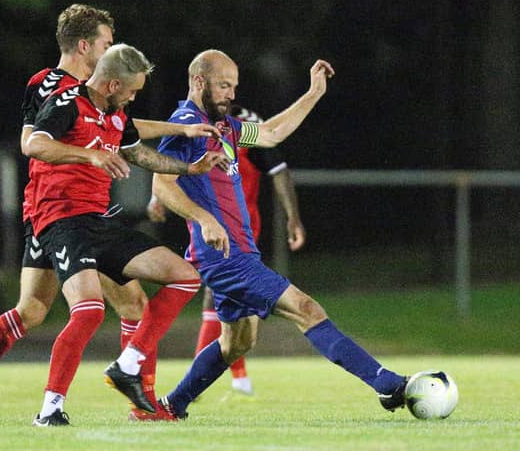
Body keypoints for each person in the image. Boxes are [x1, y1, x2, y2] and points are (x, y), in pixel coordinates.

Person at [0, 5, 221, 426]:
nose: (110, 48)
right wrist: (92, 156)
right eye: (106, 42)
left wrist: (181, 133)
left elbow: (121, 126)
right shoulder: (57, 89)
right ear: (86, 46)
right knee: (111, 306)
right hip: (60, 212)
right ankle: (126, 401)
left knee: (36, 310)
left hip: (75, 212)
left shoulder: (102, 97)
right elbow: (37, 140)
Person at [150, 49, 411, 420]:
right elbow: (162, 185)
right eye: (223, 85)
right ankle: (386, 382)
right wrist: (203, 219)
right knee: (306, 309)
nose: (231, 94)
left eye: (234, 86)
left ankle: (171, 406)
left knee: (236, 342)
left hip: (238, 252)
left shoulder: (224, 127)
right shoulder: (185, 123)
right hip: (226, 256)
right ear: (198, 82)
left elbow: (270, 133)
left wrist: (314, 92)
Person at [24, 43, 229, 425]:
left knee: (184, 276)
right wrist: (90, 155)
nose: (133, 97)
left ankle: (128, 365)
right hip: (63, 220)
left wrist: (192, 168)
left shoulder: (114, 114)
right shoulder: (67, 103)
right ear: (113, 83)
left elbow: (142, 155)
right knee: (87, 312)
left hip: (100, 222)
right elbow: (34, 143)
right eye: (132, 91)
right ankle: (49, 410)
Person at [147, 104, 306, 396]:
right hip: (205, 220)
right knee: (224, 298)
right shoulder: (192, 122)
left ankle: (201, 381)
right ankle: (232, 377)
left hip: (239, 225)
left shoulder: (242, 124)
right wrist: (158, 196)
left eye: (229, 86)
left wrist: (292, 217)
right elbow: (171, 165)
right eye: (222, 85)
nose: (225, 92)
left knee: (221, 295)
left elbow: (278, 168)